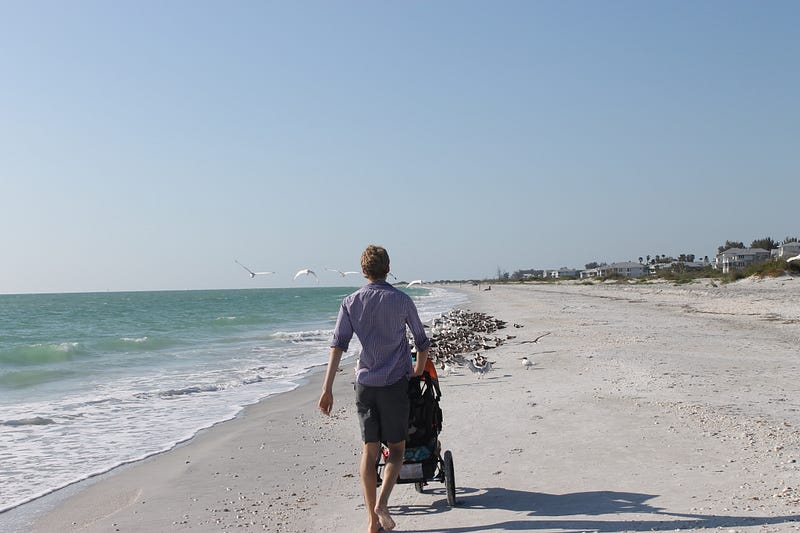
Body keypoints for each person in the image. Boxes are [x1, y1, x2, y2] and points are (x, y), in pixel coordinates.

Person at [318, 245, 430, 533]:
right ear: (388, 269)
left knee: (370, 451)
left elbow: (338, 346)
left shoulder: (350, 302)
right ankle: (382, 504)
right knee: (397, 449)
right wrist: (418, 370)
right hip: (394, 385)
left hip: (366, 385)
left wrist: (327, 388)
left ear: (363, 271)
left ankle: (371, 521)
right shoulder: (402, 300)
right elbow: (422, 342)